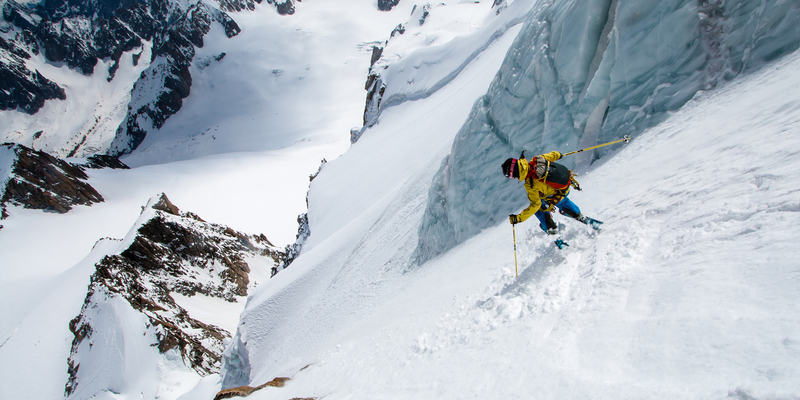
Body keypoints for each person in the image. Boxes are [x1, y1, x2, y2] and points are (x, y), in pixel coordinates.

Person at [501, 151, 601, 248]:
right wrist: (559, 155)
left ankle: (553, 231)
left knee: (539, 208)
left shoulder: (530, 184)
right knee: (561, 200)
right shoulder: (536, 160)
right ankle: (579, 216)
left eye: (511, 176)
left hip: (554, 198)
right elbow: (553, 155)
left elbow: (534, 206)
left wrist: (518, 218)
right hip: (564, 189)